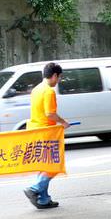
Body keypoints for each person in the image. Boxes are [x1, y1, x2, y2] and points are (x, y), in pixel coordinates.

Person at [23, 62, 70, 209]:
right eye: (59, 77)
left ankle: (43, 199)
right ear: (54, 75)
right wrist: (63, 122)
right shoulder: (49, 91)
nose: (59, 81)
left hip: (36, 130)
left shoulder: (36, 89)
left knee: (44, 165)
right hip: (46, 132)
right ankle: (35, 189)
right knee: (53, 166)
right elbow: (50, 113)